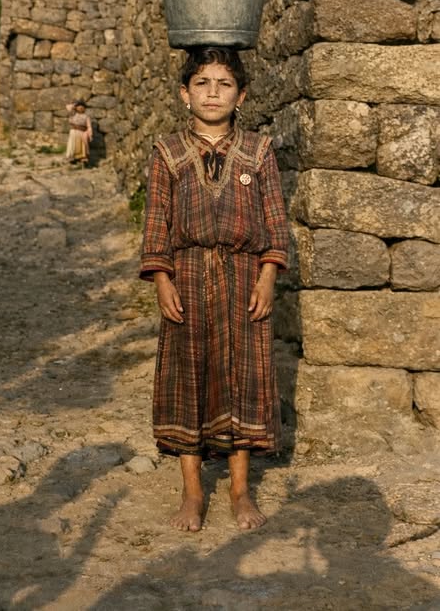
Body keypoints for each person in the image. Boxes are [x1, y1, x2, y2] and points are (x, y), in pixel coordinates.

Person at [140, 46, 289, 532]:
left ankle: (241, 490)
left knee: (243, 378)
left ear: (241, 95)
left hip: (245, 279)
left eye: (224, 84)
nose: (212, 93)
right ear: (185, 94)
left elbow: (276, 224)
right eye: (202, 83)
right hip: (186, 276)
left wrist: (268, 276)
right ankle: (192, 492)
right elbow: (156, 224)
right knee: (188, 379)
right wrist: (162, 279)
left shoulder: (259, 151)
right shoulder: (168, 152)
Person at [65, 99, 93, 166]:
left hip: (82, 132)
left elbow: (89, 126)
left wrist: (90, 133)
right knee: (73, 144)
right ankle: (72, 158)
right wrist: (74, 105)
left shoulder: (86, 117)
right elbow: (68, 107)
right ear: (76, 107)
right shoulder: (73, 113)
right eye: (79, 106)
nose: (81, 107)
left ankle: (82, 158)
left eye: (83, 106)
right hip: (74, 131)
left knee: (82, 145)